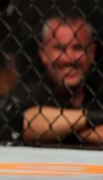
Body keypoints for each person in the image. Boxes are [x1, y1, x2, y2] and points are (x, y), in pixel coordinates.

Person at [14, 15, 103, 145]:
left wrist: (62, 129)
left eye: (78, 48)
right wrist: (92, 119)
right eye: (60, 48)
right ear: (43, 53)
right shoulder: (29, 93)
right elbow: (24, 125)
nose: (69, 58)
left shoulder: (99, 90)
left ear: (92, 52)